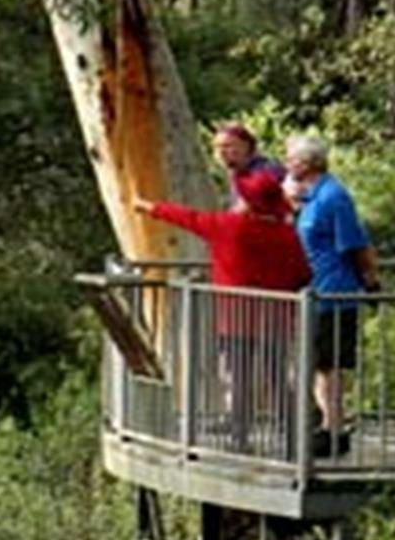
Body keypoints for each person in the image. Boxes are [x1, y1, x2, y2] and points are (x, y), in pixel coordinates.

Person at [136, 164, 310, 452]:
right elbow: (303, 274)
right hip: (276, 318)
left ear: (249, 203)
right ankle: (292, 439)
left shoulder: (229, 227)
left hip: (235, 318)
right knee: (278, 378)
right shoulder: (286, 235)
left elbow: (188, 218)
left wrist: (148, 207)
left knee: (239, 379)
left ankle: (239, 439)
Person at [284, 132, 380, 455]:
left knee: (329, 365)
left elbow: (356, 244)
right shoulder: (309, 198)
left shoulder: (333, 197)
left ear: (309, 163)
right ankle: (324, 424)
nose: (287, 164)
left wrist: (370, 279)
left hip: (334, 293)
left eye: (292, 159)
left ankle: (334, 428)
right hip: (312, 294)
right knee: (312, 364)